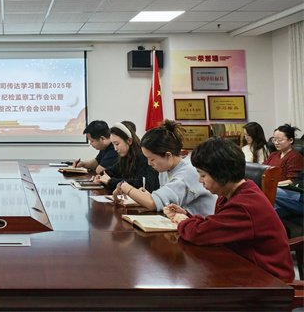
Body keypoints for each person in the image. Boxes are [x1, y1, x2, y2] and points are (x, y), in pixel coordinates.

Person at [165, 138, 294, 283]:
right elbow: (216, 226)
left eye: (203, 175)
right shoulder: (232, 194)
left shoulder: (244, 206)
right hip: (246, 268)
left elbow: (198, 233)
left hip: (269, 280)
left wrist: (184, 221)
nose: (200, 181)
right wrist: (186, 216)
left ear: (221, 173)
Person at [113, 120, 216, 217]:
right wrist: (146, 196)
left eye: (152, 159)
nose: (149, 163)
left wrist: (124, 186)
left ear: (168, 155)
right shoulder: (165, 169)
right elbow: (164, 202)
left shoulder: (186, 173)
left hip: (203, 226)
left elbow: (153, 203)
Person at [92, 122, 159, 192]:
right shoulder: (125, 157)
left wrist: (111, 181)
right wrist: (101, 176)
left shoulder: (144, 157)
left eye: (117, 144)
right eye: (113, 145)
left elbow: (143, 184)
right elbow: (112, 170)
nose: (115, 149)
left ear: (129, 141)